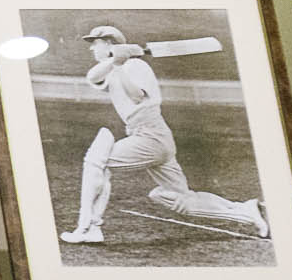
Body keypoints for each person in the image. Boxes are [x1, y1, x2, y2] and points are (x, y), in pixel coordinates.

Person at [63, 25, 265, 246]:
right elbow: (92, 77)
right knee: (179, 199)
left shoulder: (137, 65)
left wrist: (120, 65)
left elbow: (137, 96)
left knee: (97, 163)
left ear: (109, 43)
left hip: (150, 135)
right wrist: (115, 61)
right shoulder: (110, 69)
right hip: (152, 137)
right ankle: (246, 211)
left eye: (95, 43)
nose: (91, 48)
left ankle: (89, 227)